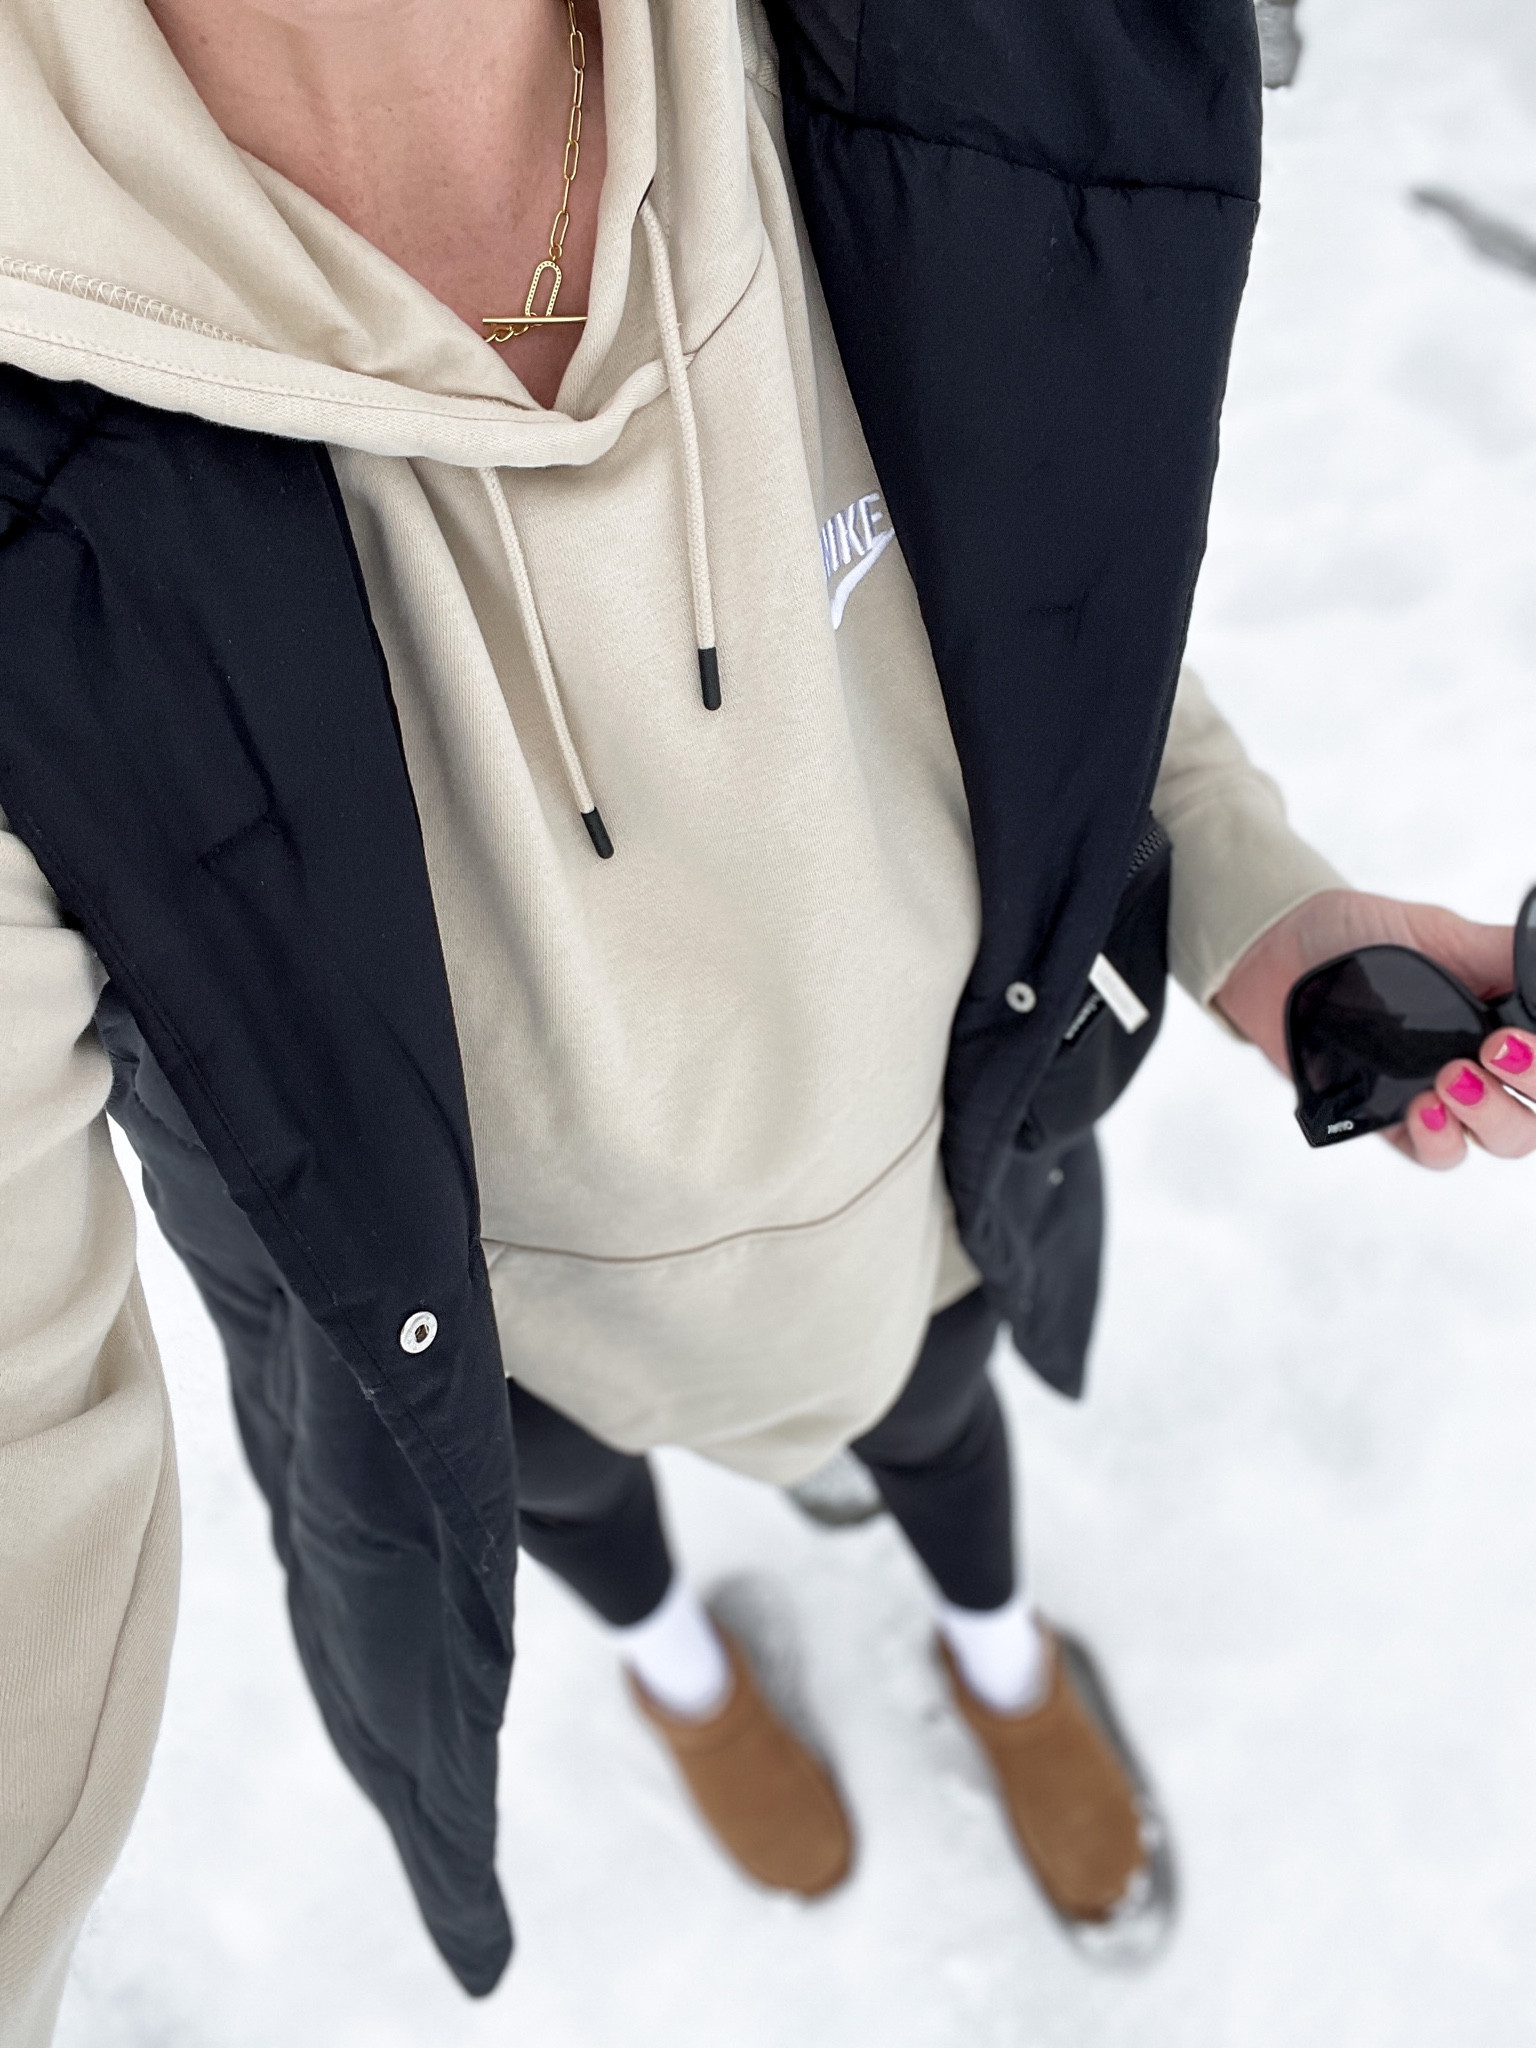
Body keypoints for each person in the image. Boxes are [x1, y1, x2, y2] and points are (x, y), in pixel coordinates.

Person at [1, 0, 1532, 2037]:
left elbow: (1036, 642)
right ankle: (681, 1674)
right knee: (592, 1533)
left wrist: (1269, 909)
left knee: (942, 1443)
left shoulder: (927, 66)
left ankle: (998, 1655)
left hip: (926, 1209)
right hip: (511, 1355)